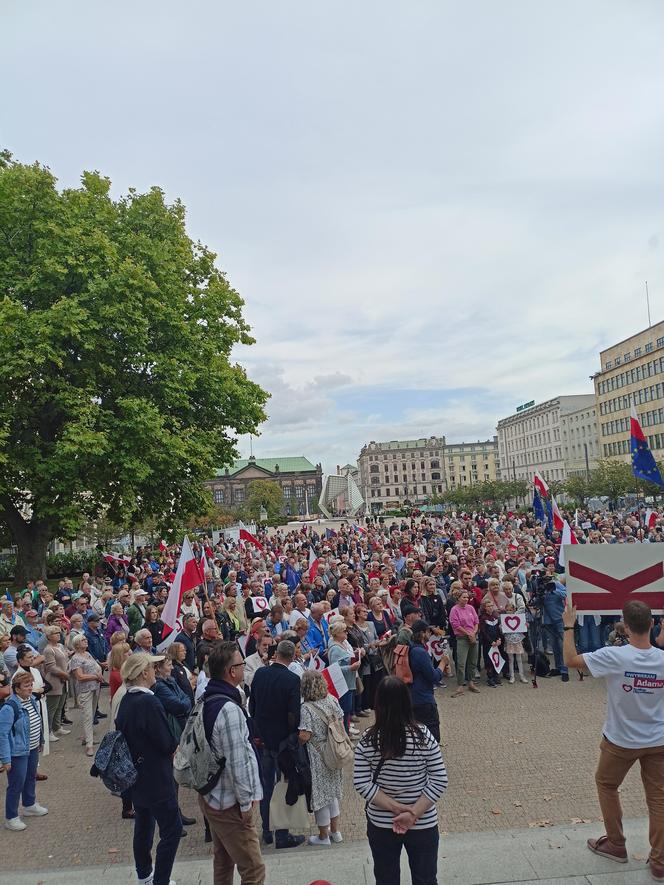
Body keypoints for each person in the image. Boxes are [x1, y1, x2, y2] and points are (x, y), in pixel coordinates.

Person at [563, 600, 664, 879]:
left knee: (607, 784)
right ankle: (660, 861)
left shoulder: (615, 656)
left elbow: (571, 661)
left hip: (620, 740)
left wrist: (568, 625)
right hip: (658, 739)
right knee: (659, 799)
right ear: (652, 624)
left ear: (626, 627)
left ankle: (616, 843)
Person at [354, 676, 448, 885]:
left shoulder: (369, 739)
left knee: (386, 879)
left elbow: (361, 782)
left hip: (382, 821)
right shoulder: (423, 735)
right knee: (425, 879)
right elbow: (439, 779)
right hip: (422, 821)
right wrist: (413, 813)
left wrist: (396, 808)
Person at [198, 642, 265, 885]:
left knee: (224, 860)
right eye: (241, 664)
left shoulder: (208, 697)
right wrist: (246, 804)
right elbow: (238, 762)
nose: (244, 667)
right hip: (229, 802)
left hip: (213, 796)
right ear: (231, 671)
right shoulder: (228, 709)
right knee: (253, 869)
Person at [115, 653, 181, 885]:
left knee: (143, 825)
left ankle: (144, 875)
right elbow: (167, 742)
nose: (155, 671)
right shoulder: (149, 702)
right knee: (172, 829)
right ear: (144, 673)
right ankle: (160, 880)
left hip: (137, 776)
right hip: (156, 776)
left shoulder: (126, 700)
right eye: (152, 668)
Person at [249, 639, 305, 849]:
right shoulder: (291, 679)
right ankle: (281, 834)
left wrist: (258, 728)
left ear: (276, 654)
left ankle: (267, 830)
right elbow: (293, 714)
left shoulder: (261, 674)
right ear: (291, 658)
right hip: (282, 742)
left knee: (266, 786)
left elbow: (252, 704)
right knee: (282, 786)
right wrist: (292, 735)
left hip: (263, 738)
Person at [298, 670, 344, 846]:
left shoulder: (307, 708)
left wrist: (294, 743)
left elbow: (304, 735)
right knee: (333, 793)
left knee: (320, 796)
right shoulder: (332, 699)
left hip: (318, 754)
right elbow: (340, 719)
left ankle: (323, 836)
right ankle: (336, 831)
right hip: (335, 750)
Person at [0, 670, 47, 831]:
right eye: (26, 685)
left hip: (32, 748)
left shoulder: (32, 700)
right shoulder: (9, 708)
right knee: (16, 783)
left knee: (31, 777)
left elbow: (37, 721)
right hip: (17, 752)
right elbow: (3, 734)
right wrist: (6, 759)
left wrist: (40, 740)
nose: (30, 688)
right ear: (17, 688)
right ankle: (11, 817)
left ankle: (29, 805)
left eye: (31, 684)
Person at [409, 620, 445, 743]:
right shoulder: (420, 652)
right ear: (422, 633)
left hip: (413, 697)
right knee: (433, 738)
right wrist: (443, 664)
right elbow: (433, 676)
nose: (430, 634)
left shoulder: (412, 648)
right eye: (428, 631)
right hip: (423, 700)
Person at [69, 633, 103, 756]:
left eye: (85, 639)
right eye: (83, 640)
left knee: (92, 713)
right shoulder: (75, 658)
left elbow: (95, 665)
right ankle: (89, 745)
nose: (86, 641)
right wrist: (95, 676)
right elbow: (80, 676)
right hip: (85, 690)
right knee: (88, 716)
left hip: (95, 687)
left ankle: (86, 738)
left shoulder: (87, 654)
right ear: (77, 644)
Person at [448, 590, 480, 698]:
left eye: (467, 597)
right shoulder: (454, 610)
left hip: (473, 636)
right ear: (458, 598)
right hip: (462, 638)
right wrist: (468, 634)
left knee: (473, 661)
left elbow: (476, 621)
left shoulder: (471, 608)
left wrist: (474, 633)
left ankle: (471, 682)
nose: (466, 599)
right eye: (464, 597)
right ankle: (460, 685)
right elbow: (455, 625)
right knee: (461, 662)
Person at [42, 626, 70, 738]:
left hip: (63, 680)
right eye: (55, 633)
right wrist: (65, 674)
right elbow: (51, 668)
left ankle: (57, 727)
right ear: (48, 636)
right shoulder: (48, 649)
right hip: (54, 681)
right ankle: (48, 732)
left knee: (60, 706)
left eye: (59, 632)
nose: (58, 634)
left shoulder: (60, 646)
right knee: (52, 708)